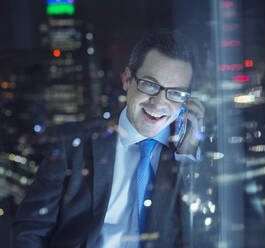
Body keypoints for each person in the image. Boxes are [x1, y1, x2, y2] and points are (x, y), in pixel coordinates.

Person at [12, 30, 205, 248]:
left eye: (176, 93)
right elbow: (30, 229)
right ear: (126, 80)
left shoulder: (186, 154)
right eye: (149, 84)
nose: (159, 103)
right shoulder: (72, 145)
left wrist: (189, 155)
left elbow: (200, 230)